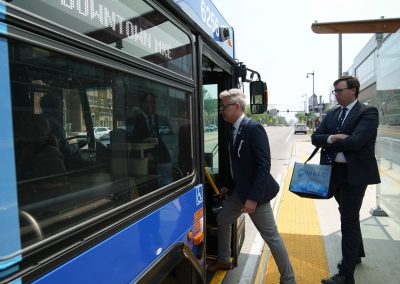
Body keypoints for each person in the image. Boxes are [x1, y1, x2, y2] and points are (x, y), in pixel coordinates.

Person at [206, 88, 296, 284]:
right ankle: (223, 260)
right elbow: (236, 165)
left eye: (224, 107)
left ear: (236, 107)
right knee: (222, 219)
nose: (221, 111)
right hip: (239, 191)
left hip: (256, 194)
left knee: (271, 237)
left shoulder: (253, 128)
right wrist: (228, 186)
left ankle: (288, 279)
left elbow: (264, 166)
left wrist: (253, 199)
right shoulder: (233, 129)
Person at [312, 76, 380, 284]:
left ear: (354, 91)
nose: (336, 94)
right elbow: (316, 138)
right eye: (335, 91)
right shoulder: (332, 114)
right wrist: (334, 138)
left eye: (340, 90)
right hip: (334, 173)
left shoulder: (367, 112)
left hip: (355, 174)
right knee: (348, 214)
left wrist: (332, 140)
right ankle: (356, 253)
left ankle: (345, 275)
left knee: (348, 219)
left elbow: (356, 142)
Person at [126, 92, 171, 185]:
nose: (152, 105)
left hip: (161, 160)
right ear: (142, 104)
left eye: (153, 102)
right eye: (149, 102)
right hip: (143, 162)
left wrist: (156, 140)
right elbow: (133, 140)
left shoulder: (159, 119)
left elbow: (169, 136)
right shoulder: (135, 120)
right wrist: (145, 143)